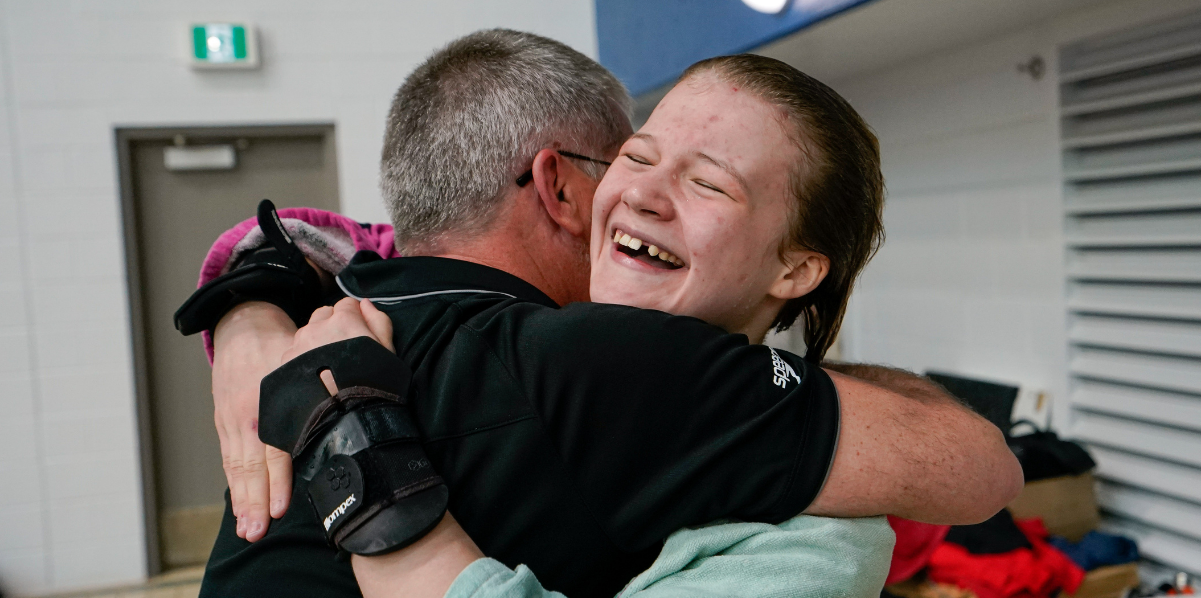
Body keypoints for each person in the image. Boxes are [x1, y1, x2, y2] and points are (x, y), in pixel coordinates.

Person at [190, 30, 1022, 598]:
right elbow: (984, 467)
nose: (641, 197)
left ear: (797, 267)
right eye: (636, 155)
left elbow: (983, 465)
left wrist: (264, 316)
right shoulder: (566, 350)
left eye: (709, 184)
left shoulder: (347, 321)